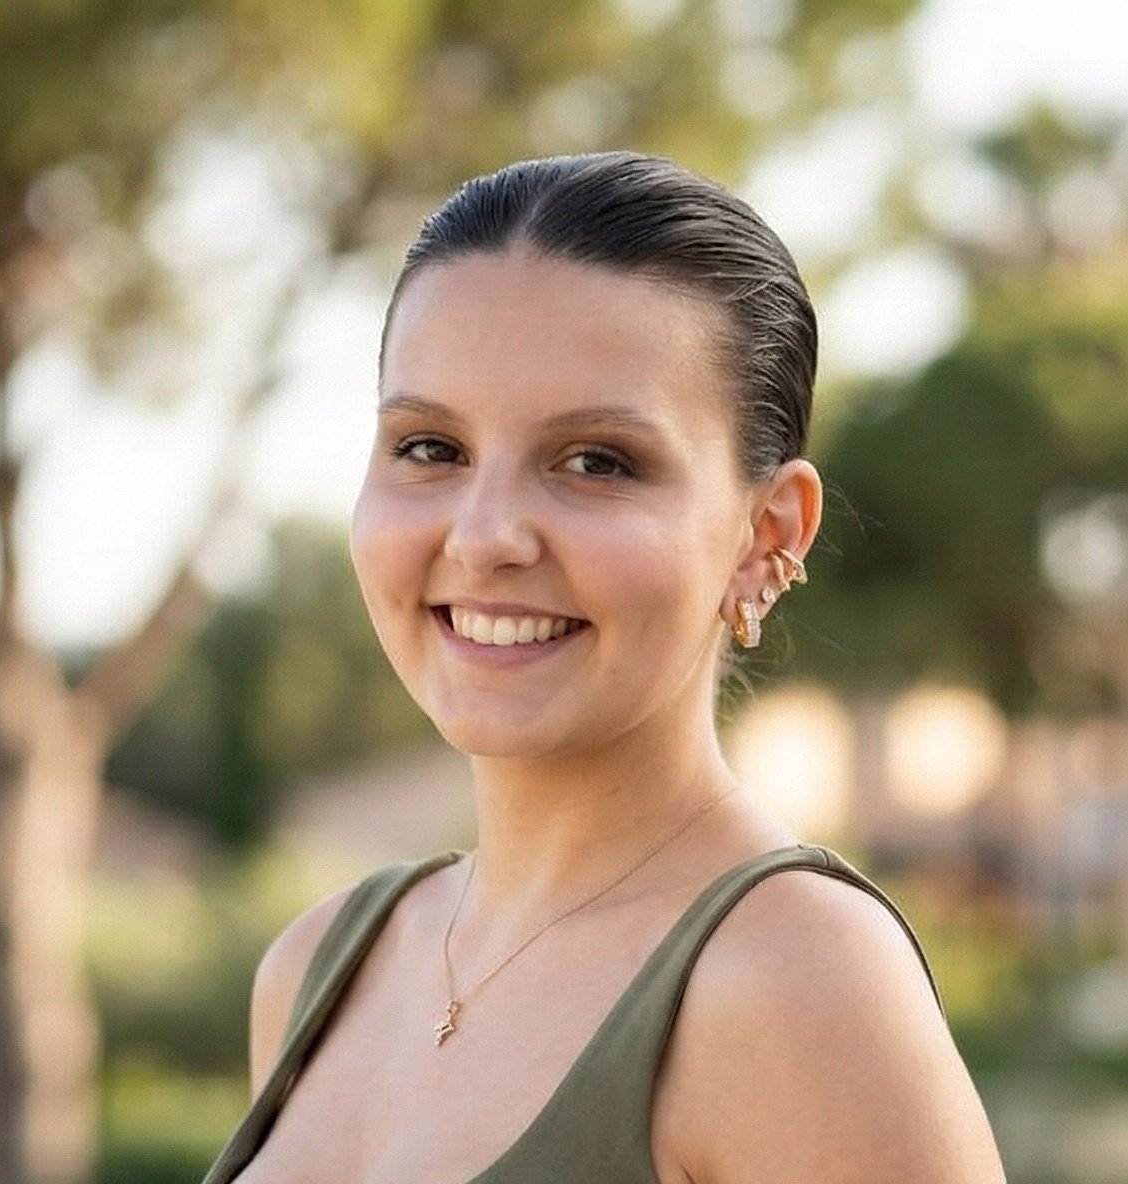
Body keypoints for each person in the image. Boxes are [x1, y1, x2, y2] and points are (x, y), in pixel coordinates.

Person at [202, 152, 1007, 1184]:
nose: (484, 536)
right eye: (430, 447)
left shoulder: (796, 978)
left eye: (596, 461)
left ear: (766, 534)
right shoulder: (317, 968)